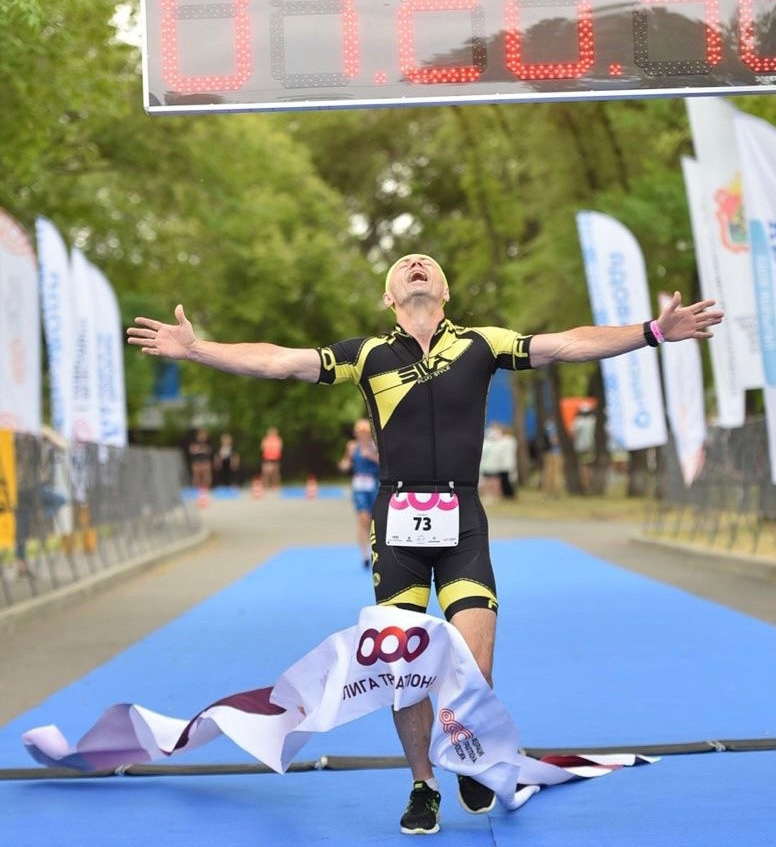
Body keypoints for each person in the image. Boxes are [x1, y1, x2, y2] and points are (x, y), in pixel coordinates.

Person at [127, 253, 723, 835]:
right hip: (396, 525)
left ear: (445, 292)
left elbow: (566, 343)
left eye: (428, 263)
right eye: (404, 264)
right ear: (388, 296)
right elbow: (279, 361)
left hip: (463, 519)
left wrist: (651, 332)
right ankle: (423, 783)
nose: (417, 264)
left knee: (476, 664)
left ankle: (467, 750)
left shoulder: (483, 344)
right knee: (404, 669)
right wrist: (198, 349)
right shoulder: (366, 355)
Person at [338, 418, 380, 569]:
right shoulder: (352, 446)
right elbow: (345, 463)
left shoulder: (375, 446)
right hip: (359, 486)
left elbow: (384, 464)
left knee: (376, 520)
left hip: (374, 484)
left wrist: (371, 456)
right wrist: (344, 465)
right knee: (363, 519)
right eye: (359, 432)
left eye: (365, 432)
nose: (362, 435)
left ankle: (378, 552)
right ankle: (364, 555)